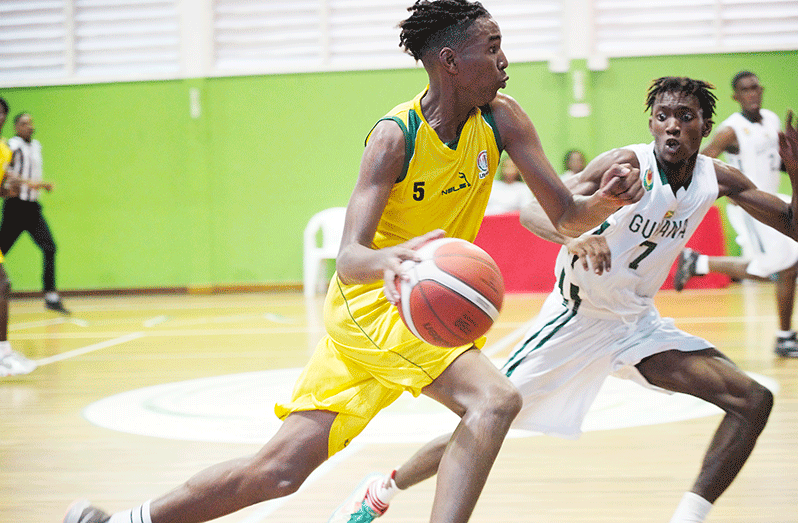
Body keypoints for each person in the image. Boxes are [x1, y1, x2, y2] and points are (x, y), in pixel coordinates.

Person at [62, 2, 642, 523]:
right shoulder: (396, 137)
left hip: (410, 304)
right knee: (493, 402)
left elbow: (567, 217)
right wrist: (395, 262)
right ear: (451, 61)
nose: (504, 61)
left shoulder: (503, 118)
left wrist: (607, 202)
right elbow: (349, 258)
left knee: (279, 472)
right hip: (374, 302)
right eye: (491, 48)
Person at [329, 77, 794, 523]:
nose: (673, 125)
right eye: (663, 116)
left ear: (703, 127)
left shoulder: (718, 179)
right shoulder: (625, 166)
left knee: (752, 400)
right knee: (487, 420)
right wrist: (571, 239)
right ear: (652, 123)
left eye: (685, 117)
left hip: (635, 324)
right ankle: (384, 488)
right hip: (574, 319)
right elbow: (534, 211)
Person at [673, 71, 798, 357]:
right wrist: (681, 194)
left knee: (781, 267)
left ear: (762, 89)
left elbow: (773, 162)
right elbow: (702, 161)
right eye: (745, 90)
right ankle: (784, 337)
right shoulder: (730, 130)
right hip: (750, 207)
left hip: (774, 198)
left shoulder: (771, 120)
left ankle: (700, 264)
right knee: (786, 266)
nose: (752, 93)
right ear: (736, 96)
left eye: (755, 87)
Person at [0, 112, 69, 314]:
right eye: (23, 123)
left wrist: (40, 185)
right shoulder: (12, 145)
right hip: (15, 207)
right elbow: (6, 171)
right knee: (1, 250)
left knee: (50, 247)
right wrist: (26, 183)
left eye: (30, 123)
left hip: (32, 209)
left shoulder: (36, 146)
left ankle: (50, 296)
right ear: (15, 127)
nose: (28, 126)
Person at [0, 98, 37, 377]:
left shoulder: (3, 150)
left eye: (2, 113)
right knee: (2, 284)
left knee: (3, 284)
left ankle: (3, 352)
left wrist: (6, 189)